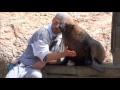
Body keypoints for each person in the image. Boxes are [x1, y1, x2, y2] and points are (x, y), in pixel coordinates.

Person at [5, 12, 76, 78]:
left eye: (60, 24)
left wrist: (45, 61)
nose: (57, 26)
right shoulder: (43, 33)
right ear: (52, 20)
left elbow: (57, 59)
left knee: (37, 76)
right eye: (56, 22)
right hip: (22, 66)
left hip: (34, 69)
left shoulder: (61, 37)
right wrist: (63, 54)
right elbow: (45, 56)